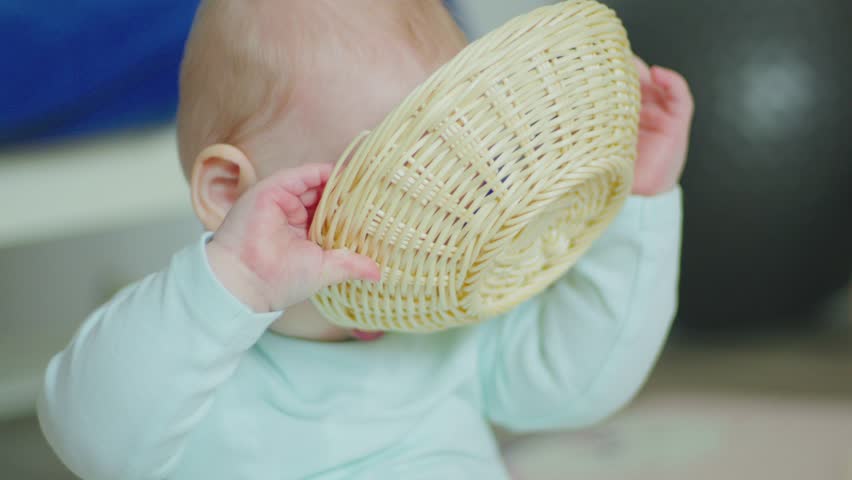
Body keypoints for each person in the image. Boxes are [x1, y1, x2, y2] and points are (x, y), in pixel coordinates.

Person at [37, 0, 694, 478]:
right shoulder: (182, 358)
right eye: (380, 186)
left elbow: (579, 383)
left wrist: (636, 206)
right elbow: (92, 439)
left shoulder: (445, 326)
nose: (422, 222)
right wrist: (232, 284)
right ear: (230, 192)